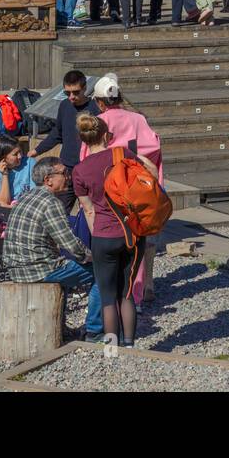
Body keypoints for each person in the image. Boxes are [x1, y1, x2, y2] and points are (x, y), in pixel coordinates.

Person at [73, 114, 159, 347]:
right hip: (131, 233)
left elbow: (88, 210)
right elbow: (151, 173)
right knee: (127, 293)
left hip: (103, 236)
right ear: (106, 135)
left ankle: (112, 349)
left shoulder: (79, 171)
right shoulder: (122, 155)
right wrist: (138, 156)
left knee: (108, 297)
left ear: (83, 140)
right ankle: (129, 344)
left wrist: (96, 239)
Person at [3, 160, 103, 341]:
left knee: (65, 267)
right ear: (48, 179)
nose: (68, 177)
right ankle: (94, 331)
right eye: (63, 173)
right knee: (103, 273)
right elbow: (70, 244)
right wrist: (94, 257)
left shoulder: (27, 196)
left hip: (16, 268)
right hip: (37, 269)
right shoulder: (51, 203)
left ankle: (61, 328)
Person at [92, 74, 162, 308]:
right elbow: (153, 148)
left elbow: (89, 156)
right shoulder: (138, 120)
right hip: (134, 189)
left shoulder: (98, 122)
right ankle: (134, 296)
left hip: (107, 191)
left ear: (100, 102)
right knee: (135, 242)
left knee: (108, 245)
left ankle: (108, 300)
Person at [33, 69, 99, 176]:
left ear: (85, 88)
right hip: (67, 166)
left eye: (76, 92)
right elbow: (57, 133)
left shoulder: (95, 108)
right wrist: (37, 150)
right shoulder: (64, 105)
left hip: (89, 166)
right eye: (67, 93)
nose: (71, 96)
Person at [0, 136, 35, 206]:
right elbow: (3, 202)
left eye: (20, 151)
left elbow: (35, 193)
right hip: (8, 209)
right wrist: (4, 174)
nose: (20, 156)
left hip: (28, 206)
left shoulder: (30, 163)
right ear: (3, 157)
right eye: (15, 154)